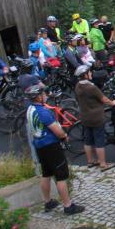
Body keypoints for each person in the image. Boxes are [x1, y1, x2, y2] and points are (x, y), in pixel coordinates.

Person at [24, 83, 85, 215]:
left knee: (46, 173)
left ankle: (48, 202)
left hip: (39, 146)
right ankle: (68, 206)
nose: (45, 95)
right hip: (51, 146)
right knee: (61, 176)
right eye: (43, 94)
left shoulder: (30, 109)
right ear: (39, 97)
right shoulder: (43, 112)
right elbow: (57, 131)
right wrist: (64, 136)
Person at [74, 65, 115, 171]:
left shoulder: (78, 86)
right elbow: (104, 99)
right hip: (96, 117)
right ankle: (103, 163)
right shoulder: (92, 87)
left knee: (88, 140)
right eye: (89, 72)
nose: (91, 74)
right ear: (85, 75)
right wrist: (113, 103)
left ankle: (90, 161)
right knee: (99, 140)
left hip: (84, 117)